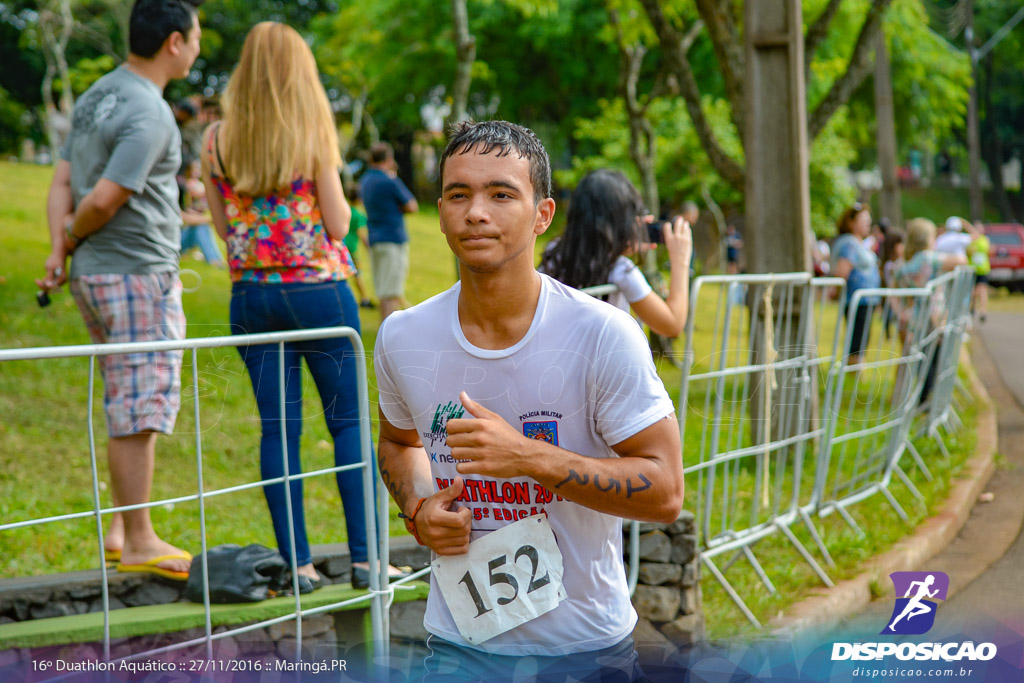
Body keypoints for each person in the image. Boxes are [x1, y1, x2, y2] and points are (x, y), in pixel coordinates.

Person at [374, 121, 684, 680]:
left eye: (500, 194)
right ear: (440, 209)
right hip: (458, 648)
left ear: (542, 214)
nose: (475, 212)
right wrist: (420, 510)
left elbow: (665, 492)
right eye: (458, 194)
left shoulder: (603, 334)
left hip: (587, 651)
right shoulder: (403, 335)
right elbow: (398, 443)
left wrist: (526, 458)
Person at [201, 22, 405, 592]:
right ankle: (368, 560)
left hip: (251, 294)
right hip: (319, 291)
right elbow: (339, 224)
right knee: (347, 424)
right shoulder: (312, 133)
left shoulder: (215, 140)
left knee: (278, 430)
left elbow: (223, 230)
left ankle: (300, 566)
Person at [36, 0, 203, 579]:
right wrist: (74, 233)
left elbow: (63, 180)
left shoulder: (96, 96)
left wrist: (63, 249)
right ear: (175, 42)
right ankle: (139, 539)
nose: (199, 46)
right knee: (138, 407)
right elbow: (105, 198)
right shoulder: (151, 113)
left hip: (94, 273)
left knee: (121, 398)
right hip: (138, 275)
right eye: (197, 36)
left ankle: (119, 529)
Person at [538, 169, 691, 338]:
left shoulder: (554, 253)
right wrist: (680, 260)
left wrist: (620, 246)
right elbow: (672, 324)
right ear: (621, 224)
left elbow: (593, 252)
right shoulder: (621, 270)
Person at [361, 142, 418, 321]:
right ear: (388, 159)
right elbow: (412, 206)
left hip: (375, 238)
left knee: (383, 289)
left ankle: (386, 329)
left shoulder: (365, 180)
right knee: (391, 291)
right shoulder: (390, 181)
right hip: (392, 238)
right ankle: (388, 333)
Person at [831, 203, 882, 365]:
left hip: (866, 300)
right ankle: (854, 373)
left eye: (869, 220)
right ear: (851, 222)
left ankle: (855, 373)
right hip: (857, 300)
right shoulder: (849, 244)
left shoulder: (859, 243)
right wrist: (835, 293)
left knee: (862, 338)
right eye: (863, 220)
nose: (868, 223)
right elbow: (842, 272)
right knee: (857, 340)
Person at [179, 159, 225, 267]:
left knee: (200, 227)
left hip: (187, 235)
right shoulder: (180, 193)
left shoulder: (197, 199)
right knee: (201, 225)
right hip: (175, 241)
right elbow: (185, 218)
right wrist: (212, 219)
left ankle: (215, 259)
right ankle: (214, 259)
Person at [343, 183, 375, 308]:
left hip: (342, 245)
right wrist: (369, 247)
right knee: (357, 274)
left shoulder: (345, 209)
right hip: (352, 248)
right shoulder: (358, 215)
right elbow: (361, 234)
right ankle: (364, 298)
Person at [965, 220, 990, 322]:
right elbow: (968, 252)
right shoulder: (970, 240)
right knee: (973, 290)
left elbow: (987, 251)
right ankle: (973, 307)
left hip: (983, 269)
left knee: (982, 289)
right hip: (972, 269)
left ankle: (983, 310)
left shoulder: (984, 240)